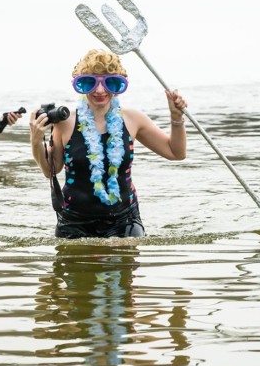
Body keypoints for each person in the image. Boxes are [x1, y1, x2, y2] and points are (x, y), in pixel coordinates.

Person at [29, 49, 187, 239]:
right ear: (79, 84)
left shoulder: (133, 119)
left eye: (110, 82)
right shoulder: (65, 122)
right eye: (90, 82)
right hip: (74, 221)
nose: (100, 90)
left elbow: (175, 152)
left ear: (119, 85)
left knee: (123, 254)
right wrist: (36, 140)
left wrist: (176, 116)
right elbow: (50, 170)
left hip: (124, 219)